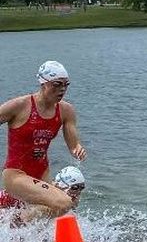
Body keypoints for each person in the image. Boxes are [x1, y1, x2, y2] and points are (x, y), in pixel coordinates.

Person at [0, 61, 86, 217]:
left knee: (60, 209)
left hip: (42, 173)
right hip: (16, 174)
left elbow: (73, 142)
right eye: (57, 84)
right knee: (64, 202)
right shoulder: (20, 106)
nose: (62, 89)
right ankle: (16, 223)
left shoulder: (66, 110)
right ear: (43, 83)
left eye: (66, 85)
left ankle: (24, 232)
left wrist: (77, 148)